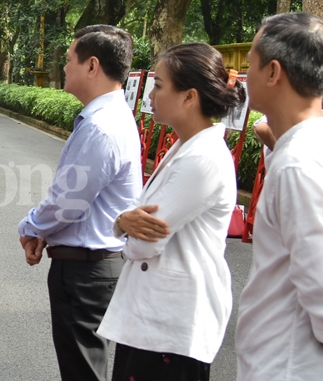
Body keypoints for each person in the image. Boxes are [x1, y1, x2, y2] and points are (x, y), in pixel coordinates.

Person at [97, 43, 244, 380]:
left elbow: (144, 243)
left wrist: (125, 229)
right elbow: (134, 219)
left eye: (159, 85)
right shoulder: (184, 146)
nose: (151, 94)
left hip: (172, 325)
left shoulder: (202, 158)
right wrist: (123, 222)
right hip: (156, 319)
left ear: (189, 97)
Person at [17, 24, 142, 381]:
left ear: (92, 66)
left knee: (83, 372)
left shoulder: (100, 127)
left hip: (86, 271)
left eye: (69, 60)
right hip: (94, 264)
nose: (64, 67)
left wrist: (30, 228)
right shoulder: (108, 118)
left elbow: (67, 202)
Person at [235, 12, 323, 380]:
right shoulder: (300, 150)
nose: (245, 75)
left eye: (251, 64)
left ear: (273, 72)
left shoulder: (298, 166)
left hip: (285, 365)